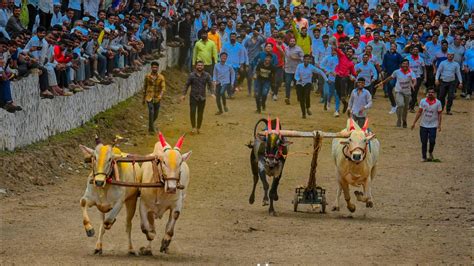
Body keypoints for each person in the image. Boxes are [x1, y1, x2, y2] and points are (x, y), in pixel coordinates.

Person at [378, 59, 416, 128]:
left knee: (405, 108)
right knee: (400, 105)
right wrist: (382, 82)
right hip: (398, 91)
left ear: (408, 65)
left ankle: (404, 120)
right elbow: (390, 77)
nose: (405, 65)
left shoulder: (411, 72)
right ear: (401, 65)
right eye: (403, 63)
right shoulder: (397, 72)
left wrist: (413, 85)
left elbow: (414, 80)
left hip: (407, 92)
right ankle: (399, 119)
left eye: (406, 64)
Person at [181, 61, 215, 135]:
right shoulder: (191, 75)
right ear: (196, 66)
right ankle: (193, 127)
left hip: (202, 97)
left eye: (201, 65)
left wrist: (212, 93)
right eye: (198, 65)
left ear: (203, 67)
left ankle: (198, 128)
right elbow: (186, 85)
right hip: (193, 97)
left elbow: (210, 84)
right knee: (192, 112)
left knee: (200, 113)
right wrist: (183, 94)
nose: (200, 67)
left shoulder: (207, 75)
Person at [411, 88, 442, 162]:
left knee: (432, 141)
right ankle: (424, 156)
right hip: (423, 125)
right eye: (429, 92)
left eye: (432, 92)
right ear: (427, 93)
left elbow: (440, 113)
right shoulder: (423, 101)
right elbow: (419, 112)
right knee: (423, 142)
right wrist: (414, 122)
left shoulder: (438, 103)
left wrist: (439, 124)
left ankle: (430, 152)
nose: (431, 94)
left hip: (433, 125)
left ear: (434, 93)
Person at [294, 54, 328, 118]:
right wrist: (299, 79)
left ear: (310, 60)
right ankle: (304, 112)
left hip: (307, 83)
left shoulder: (311, 67)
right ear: (303, 60)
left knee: (306, 95)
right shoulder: (299, 66)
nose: (306, 60)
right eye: (305, 59)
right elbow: (296, 75)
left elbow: (320, 71)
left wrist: (326, 79)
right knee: (301, 99)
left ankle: (306, 109)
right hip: (299, 83)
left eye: (308, 59)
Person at [435, 49, 463, 115]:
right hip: (443, 81)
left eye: (452, 55)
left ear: (453, 56)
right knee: (441, 96)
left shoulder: (456, 64)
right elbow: (438, 71)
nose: (450, 56)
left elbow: (458, 73)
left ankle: (448, 110)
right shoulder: (443, 63)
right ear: (447, 55)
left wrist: (460, 82)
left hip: (452, 82)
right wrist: (436, 79)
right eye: (449, 55)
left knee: (450, 96)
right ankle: (441, 108)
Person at [143, 62, 165, 134]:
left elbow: (163, 88)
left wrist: (160, 95)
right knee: (151, 112)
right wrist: (143, 98)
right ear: (151, 68)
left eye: (156, 67)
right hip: (149, 97)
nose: (154, 69)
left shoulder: (161, 77)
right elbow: (145, 87)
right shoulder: (147, 76)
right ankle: (151, 129)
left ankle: (151, 125)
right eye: (153, 67)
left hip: (157, 97)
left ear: (158, 68)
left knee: (156, 114)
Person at [283, 37, 303, 105]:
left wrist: (297, 58)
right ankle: (287, 98)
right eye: (291, 41)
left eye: (293, 41)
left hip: (296, 70)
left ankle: (299, 97)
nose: (292, 42)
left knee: (298, 85)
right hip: (288, 69)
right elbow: (284, 57)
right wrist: (283, 64)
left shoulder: (299, 49)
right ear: (289, 42)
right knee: (288, 84)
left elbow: (303, 58)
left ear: (295, 42)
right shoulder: (286, 49)